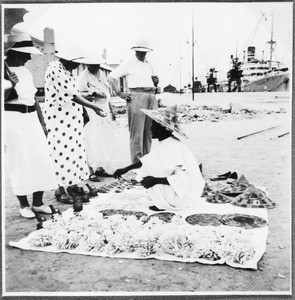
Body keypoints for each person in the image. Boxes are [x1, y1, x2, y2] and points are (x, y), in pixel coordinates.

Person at [4, 34, 58, 219]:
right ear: (15, 52)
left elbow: (34, 99)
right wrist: (10, 84)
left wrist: (42, 123)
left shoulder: (25, 72)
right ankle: (23, 204)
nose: (29, 58)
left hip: (31, 119)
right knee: (20, 161)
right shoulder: (4, 72)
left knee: (40, 158)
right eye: (26, 54)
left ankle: (38, 203)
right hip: (13, 119)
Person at [43, 46, 106, 204]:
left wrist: (83, 112)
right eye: (76, 63)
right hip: (59, 120)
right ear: (67, 59)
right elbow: (71, 95)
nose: (78, 66)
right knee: (61, 152)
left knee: (74, 153)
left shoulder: (66, 70)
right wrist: (92, 107)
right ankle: (60, 189)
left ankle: (72, 185)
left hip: (72, 120)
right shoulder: (55, 69)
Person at [114, 106, 205, 211]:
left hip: (187, 196)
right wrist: (126, 169)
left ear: (162, 129)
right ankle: (165, 199)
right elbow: (148, 160)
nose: (150, 129)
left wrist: (155, 181)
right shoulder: (167, 142)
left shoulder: (172, 147)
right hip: (187, 192)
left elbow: (183, 178)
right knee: (153, 164)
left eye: (153, 125)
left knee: (156, 171)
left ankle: (167, 203)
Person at [107, 39, 159, 164]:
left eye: (144, 52)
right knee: (137, 133)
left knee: (149, 132)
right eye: (139, 51)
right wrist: (120, 93)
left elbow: (151, 81)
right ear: (135, 50)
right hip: (137, 96)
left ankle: (147, 161)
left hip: (151, 95)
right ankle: (137, 163)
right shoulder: (128, 63)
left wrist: (156, 82)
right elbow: (111, 77)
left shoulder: (149, 63)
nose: (141, 54)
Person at [77, 57, 118, 180]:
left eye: (97, 64)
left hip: (104, 109)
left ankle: (100, 168)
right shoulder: (83, 77)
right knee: (91, 139)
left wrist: (111, 109)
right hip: (91, 110)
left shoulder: (101, 74)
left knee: (104, 139)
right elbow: (79, 94)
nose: (96, 66)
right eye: (93, 64)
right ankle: (90, 170)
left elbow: (106, 92)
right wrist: (94, 93)